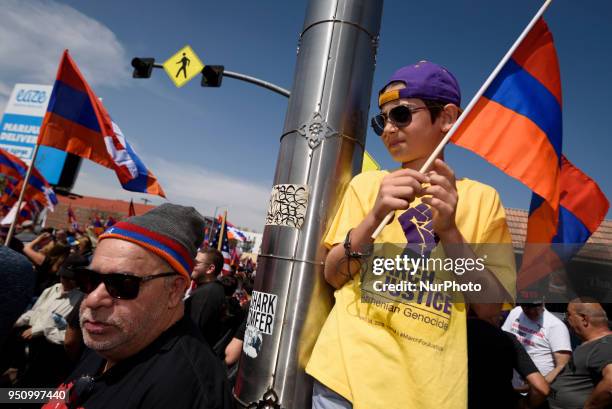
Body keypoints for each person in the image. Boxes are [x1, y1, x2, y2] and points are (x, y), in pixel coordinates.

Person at [306, 61, 516, 409]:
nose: (388, 128)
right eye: (382, 119)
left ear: (447, 117)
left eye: (401, 114)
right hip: (343, 378)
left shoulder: (483, 199)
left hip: (428, 391)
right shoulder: (366, 185)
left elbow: (489, 306)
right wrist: (374, 216)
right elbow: (332, 275)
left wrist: (449, 231)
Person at [43, 203, 231, 409]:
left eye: (122, 284)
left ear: (174, 290)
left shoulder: (186, 392)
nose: (92, 299)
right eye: (89, 279)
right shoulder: (111, 336)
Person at [467, 305, 549, 409]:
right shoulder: (507, 339)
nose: (501, 317)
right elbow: (541, 388)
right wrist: (525, 404)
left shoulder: (452, 335)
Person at [548, 299, 612, 409]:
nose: (566, 319)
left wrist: (589, 406)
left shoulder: (605, 345)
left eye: (568, 315)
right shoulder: (592, 344)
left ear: (584, 319)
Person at [502, 303, 572, 386]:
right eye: (527, 307)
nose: (532, 311)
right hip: (514, 384)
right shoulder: (516, 312)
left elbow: (562, 365)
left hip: (540, 390)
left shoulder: (556, 325)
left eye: (536, 306)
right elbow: (504, 341)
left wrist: (539, 386)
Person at [185, 248, 228, 350]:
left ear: (210, 269)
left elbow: (192, 333)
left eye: (196, 263)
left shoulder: (208, 293)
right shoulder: (209, 290)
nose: (192, 265)